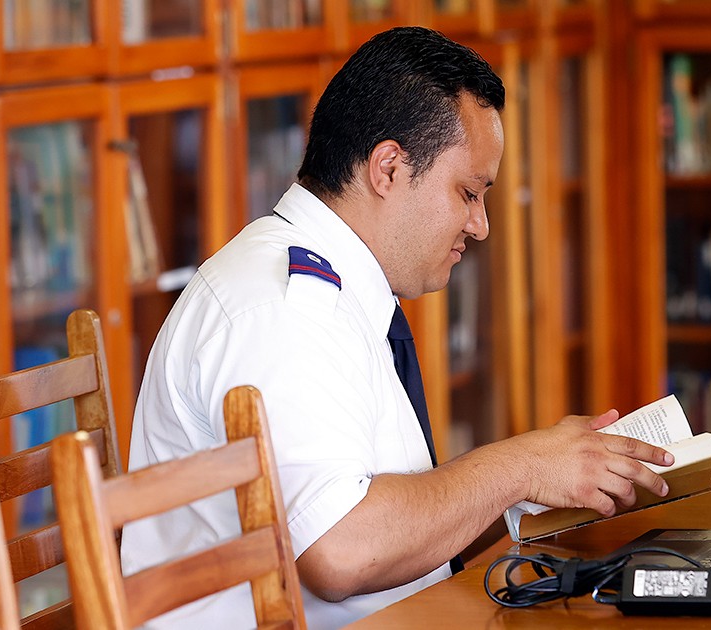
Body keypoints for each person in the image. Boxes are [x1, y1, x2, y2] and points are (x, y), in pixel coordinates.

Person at [121, 26, 674, 629]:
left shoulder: (333, 283)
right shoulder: (285, 307)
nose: (481, 224)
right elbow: (342, 551)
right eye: (468, 192)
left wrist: (546, 474)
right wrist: (520, 466)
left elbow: (382, 505)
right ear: (388, 168)